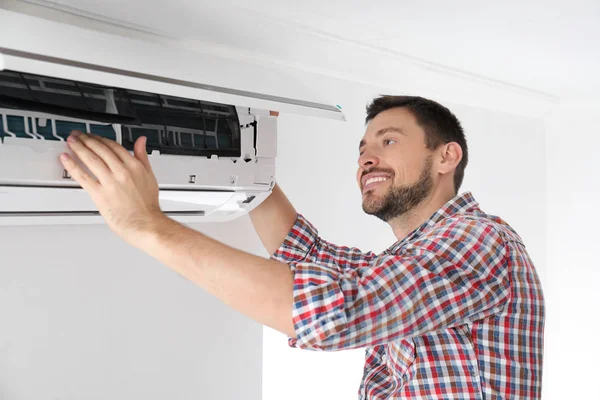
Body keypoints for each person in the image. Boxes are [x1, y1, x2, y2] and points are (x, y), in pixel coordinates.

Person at [59, 95, 545, 399]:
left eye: (388, 140)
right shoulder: (418, 260)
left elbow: (338, 309)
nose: (365, 157)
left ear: (446, 156)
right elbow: (308, 254)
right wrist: (245, 158)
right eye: (360, 148)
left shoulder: (478, 241)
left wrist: (145, 225)